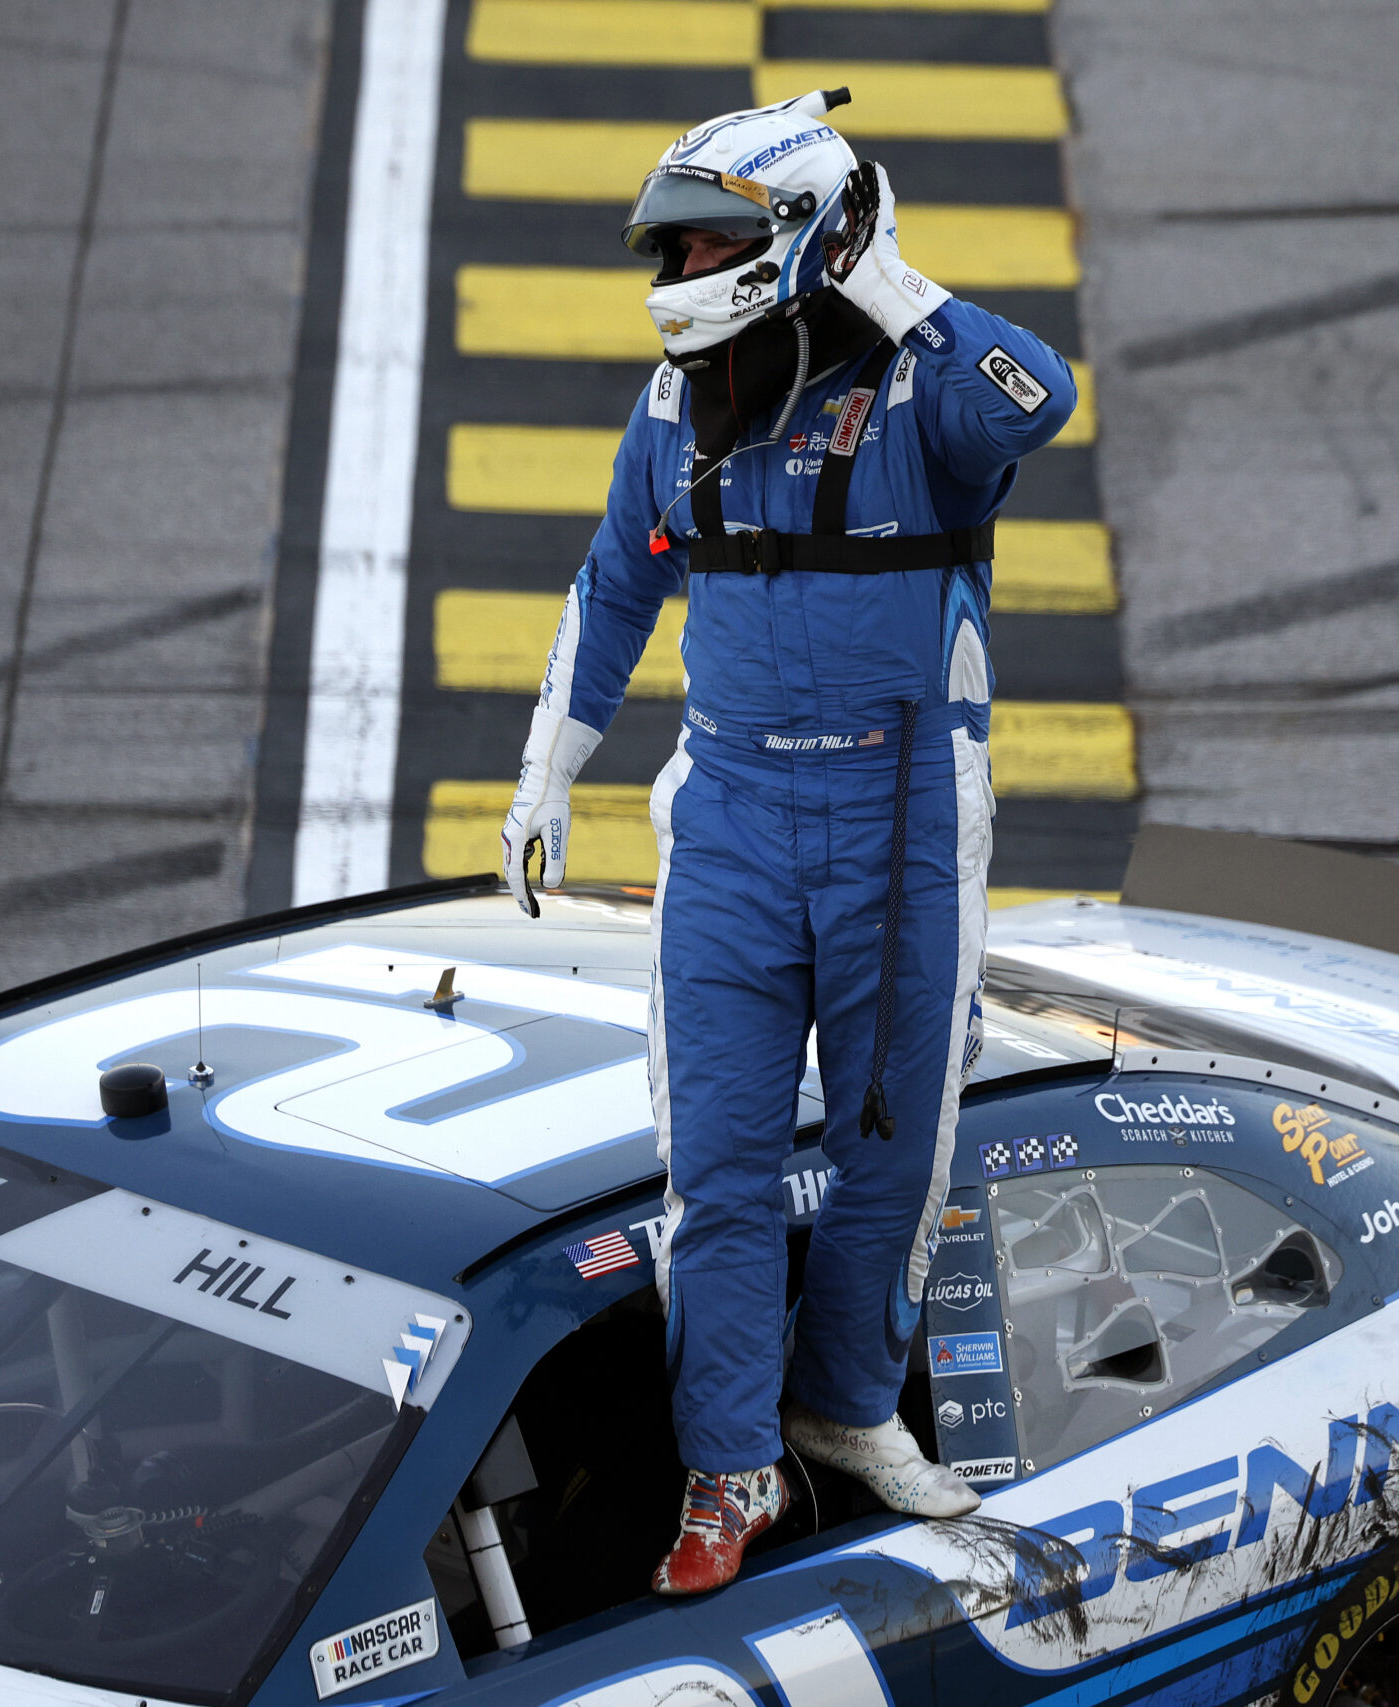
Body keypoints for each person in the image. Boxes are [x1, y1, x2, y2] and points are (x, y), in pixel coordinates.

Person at [499, 89, 1076, 1594]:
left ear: (799, 235)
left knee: (896, 1159)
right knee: (722, 1170)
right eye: (668, 245)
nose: (676, 271)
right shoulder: (673, 404)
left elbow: (1041, 398)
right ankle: (727, 1466)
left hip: (903, 827)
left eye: (704, 242)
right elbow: (612, 584)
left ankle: (844, 1408)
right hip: (735, 821)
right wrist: (546, 771)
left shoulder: (926, 389)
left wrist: (887, 276)